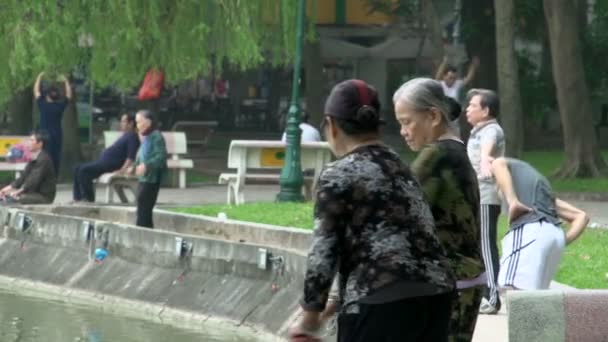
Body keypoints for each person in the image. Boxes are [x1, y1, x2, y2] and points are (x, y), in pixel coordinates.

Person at [289, 79, 455, 342]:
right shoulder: (400, 166)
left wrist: (310, 317)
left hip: (381, 300)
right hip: (437, 295)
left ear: (331, 126)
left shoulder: (337, 174)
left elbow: (324, 249)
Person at [393, 78, 485, 342]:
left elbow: (395, 211)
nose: (403, 131)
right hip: (465, 278)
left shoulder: (435, 155)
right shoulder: (456, 150)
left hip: (447, 283)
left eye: (407, 121)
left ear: (433, 116)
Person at [490, 157, 588, 290]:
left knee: (512, 291)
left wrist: (512, 201)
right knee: (535, 300)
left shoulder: (508, 166)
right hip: (553, 235)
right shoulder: (536, 187)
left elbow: (497, 163)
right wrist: (563, 240)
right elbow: (581, 216)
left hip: (530, 229)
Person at [465, 88, 505, 315]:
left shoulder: (491, 130)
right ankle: (482, 293)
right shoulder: (478, 131)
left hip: (486, 197)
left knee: (486, 245)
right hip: (476, 195)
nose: (467, 109)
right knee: (478, 245)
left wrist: (485, 161)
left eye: (472, 106)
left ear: (486, 110)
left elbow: (487, 151)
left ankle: (492, 296)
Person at [72, 113, 140, 203]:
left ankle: (88, 199)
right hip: (103, 163)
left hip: (110, 165)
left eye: (123, 121)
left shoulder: (132, 136)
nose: (121, 123)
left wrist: (122, 170)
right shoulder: (125, 135)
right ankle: (77, 198)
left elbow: (130, 157)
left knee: (84, 170)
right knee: (77, 167)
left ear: (131, 123)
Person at [130, 110, 167, 228]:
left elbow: (161, 157)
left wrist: (147, 165)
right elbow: (141, 155)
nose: (137, 125)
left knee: (144, 205)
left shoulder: (156, 136)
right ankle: (145, 230)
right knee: (141, 205)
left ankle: (142, 231)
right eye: (136, 122)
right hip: (144, 177)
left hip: (152, 178)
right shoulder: (147, 136)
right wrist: (134, 166)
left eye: (139, 122)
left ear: (148, 122)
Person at [0, 131, 56, 204]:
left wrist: (16, 192)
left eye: (32, 140)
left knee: (11, 200)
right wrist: (4, 190)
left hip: (43, 196)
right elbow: (22, 178)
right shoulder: (33, 158)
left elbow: (32, 181)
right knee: (5, 197)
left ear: (40, 144)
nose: (29, 143)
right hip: (32, 194)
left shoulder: (43, 159)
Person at [34, 72, 72, 173]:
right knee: (55, 155)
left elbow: (36, 91)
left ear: (47, 96)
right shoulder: (60, 107)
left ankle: (43, 174)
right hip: (57, 134)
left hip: (44, 135)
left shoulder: (43, 105)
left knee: (44, 155)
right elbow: (68, 95)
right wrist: (66, 81)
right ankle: (54, 175)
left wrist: (39, 76)